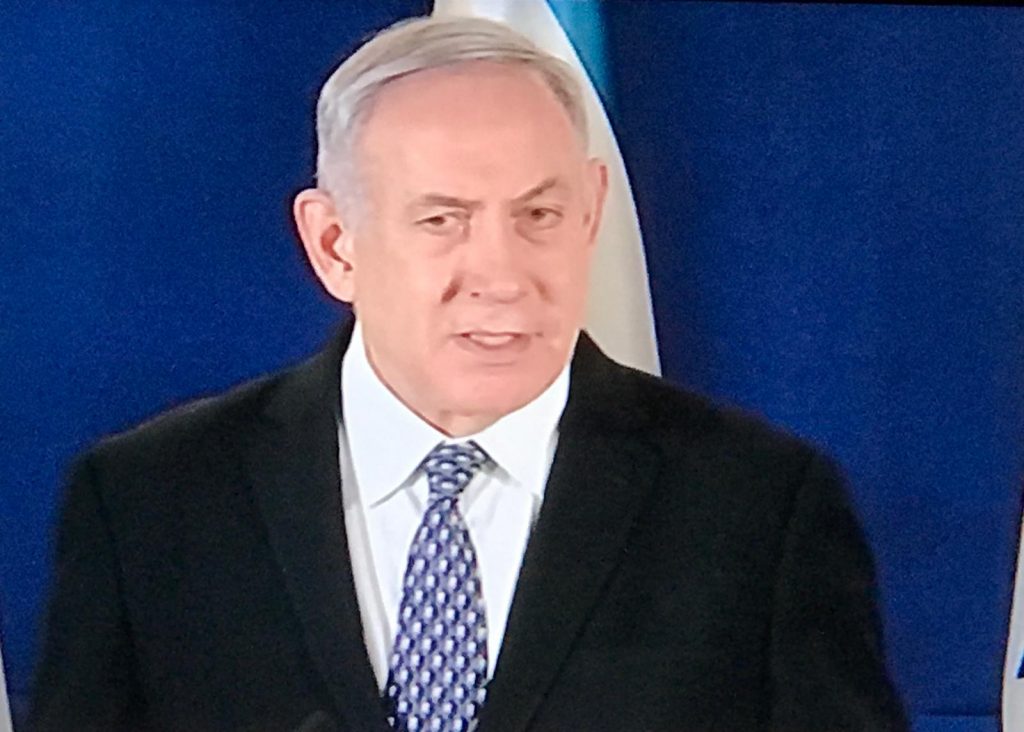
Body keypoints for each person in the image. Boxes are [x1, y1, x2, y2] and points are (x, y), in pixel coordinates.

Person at [29, 15, 908, 732]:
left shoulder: (761, 508)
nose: (502, 274)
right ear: (334, 245)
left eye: (540, 215)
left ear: (591, 212)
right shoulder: (148, 505)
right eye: (443, 219)